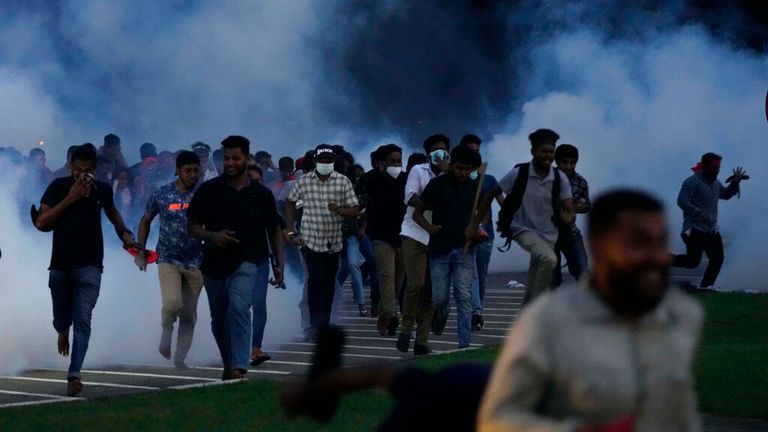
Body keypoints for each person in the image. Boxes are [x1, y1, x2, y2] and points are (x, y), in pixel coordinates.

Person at [477, 189, 704, 431]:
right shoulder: (548, 320)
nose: (657, 257)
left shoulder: (678, 317)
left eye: (661, 243)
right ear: (598, 246)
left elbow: (681, 412)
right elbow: (497, 419)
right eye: (640, 243)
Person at [34, 144, 136, 396]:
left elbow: (113, 214)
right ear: (71, 166)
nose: (83, 174)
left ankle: (74, 374)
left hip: (90, 265)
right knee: (61, 316)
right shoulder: (58, 187)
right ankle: (61, 330)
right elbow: (41, 222)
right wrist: (71, 197)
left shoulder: (101, 190)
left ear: (95, 169)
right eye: (78, 169)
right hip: (60, 265)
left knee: (83, 319)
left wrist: (125, 233)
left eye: (88, 170)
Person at [187, 135, 284, 380]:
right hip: (214, 264)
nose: (230, 163)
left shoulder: (261, 195)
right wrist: (212, 236)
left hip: (248, 260)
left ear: (247, 159)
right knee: (219, 320)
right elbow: (192, 226)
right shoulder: (209, 190)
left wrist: (278, 264)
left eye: (236, 158)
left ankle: (240, 366)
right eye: (227, 158)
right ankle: (229, 362)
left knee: (240, 308)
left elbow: (273, 228)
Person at [472, 129, 574, 305]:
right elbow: (491, 194)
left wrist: (568, 218)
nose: (547, 155)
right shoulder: (519, 173)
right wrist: (475, 224)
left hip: (547, 231)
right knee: (549, 259)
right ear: (533, 152)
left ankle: (527, 313)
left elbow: (569, 209)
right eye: (543, 151)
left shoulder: (560, 178)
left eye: (551, 152)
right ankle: (539, 305)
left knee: (535, 271)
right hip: (522, 228)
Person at [136, 151, 204, 370]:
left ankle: (180, 358)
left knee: (189, 314)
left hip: (196, 261)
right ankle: (166, 331)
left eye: (196, 170)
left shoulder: (204, 196)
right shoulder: (162, 194)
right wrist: (141, 250)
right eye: (187, 171)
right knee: (173, 303)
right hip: (168, 258)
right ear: (177, 171)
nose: (192, 175)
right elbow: (145, 220)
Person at [285, 144, 359, 340]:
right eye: (322, 160)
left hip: (333, 242)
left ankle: (323, 324)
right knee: (313, 281)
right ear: (315, 162)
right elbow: (291, 204)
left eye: (329, 160)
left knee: (328, 283)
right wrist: (291, 229)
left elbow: (354, 209)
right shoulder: (303, 183)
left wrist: (340, 211)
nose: (326, 163)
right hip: (308, 241)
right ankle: (311, 325)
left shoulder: (342, 182)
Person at [414, 145, 482, 349]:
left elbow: (483, 212)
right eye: (459, 168)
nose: (463, 173)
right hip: (439, 250)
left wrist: (476, 226)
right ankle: (442, 314)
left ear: (472, 168)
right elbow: (417, 213)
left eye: (467, 169)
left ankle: (464, 344)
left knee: (464, 295)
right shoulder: (437, 185)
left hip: (464, 250)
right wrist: (429, 227)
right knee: (440, 298)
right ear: (451, 165)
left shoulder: (475, 187)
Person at [398, 133, 450, 354]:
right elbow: (409, 197)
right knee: (416, 284)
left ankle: (422, 341)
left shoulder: (453, 176)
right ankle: (405, 329)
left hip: (438, 238)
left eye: (444, 150)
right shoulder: (419, 171)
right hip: (414, 233)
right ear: (429, 154)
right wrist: (429, 208)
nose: (441, 154)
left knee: (431, 291)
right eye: (436, 150)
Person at [671, 153, 747, 290]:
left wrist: (735, 182)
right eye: (713, 167)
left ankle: (706, 287)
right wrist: (699, 213)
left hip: (711, 230)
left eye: (718, 167)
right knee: (692, 261)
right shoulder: (691, 182)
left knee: (717, 259)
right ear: (705, 166)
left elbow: (725, 195)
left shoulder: (716, 184)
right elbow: (682, 201)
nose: (716, 170)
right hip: (693, 229)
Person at [459, 134, 504, 331]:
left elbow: (503, 203)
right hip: (464, 235)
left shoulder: (489, 180)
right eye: (470, 151)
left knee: (481, 274)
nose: (474, 155)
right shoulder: (458, 179)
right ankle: (475, 311)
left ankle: (478, 310)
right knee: (472, 275)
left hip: (485, 236)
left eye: (477, 151)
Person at [364, 144, 408, 337]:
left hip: (404, 236)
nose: (396, 165)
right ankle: (389, 315)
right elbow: (361, 202)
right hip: (381, 237)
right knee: (387, 276)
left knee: (398, 282)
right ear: (382, 163)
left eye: (399, 161)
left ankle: (386, 311)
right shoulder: (371, 179)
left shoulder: (407, 180)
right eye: (392, 161)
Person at [551, 143, 591, 287]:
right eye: (565, 162)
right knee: (552, 278)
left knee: (582, 270)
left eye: (572, 162)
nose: (568, 166)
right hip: (548, 233)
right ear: (557, 161)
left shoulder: (580, 182)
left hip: (570, 232)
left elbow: (587, 205)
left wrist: (580, 207)